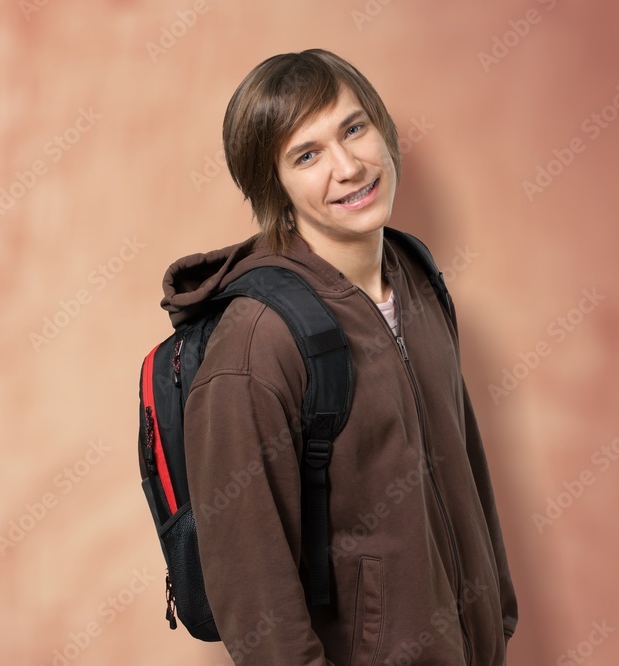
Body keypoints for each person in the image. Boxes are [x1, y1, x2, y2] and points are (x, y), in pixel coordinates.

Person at [161, 48, 517, 665]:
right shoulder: (257, 344)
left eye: (354, 128)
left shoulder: (415, 279)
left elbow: (467, 464)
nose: (349, 166)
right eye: (308, 154)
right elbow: (254, 596)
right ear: (274, 185)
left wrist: (498, 618)